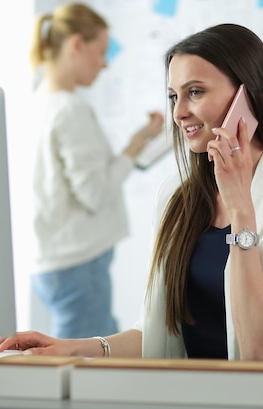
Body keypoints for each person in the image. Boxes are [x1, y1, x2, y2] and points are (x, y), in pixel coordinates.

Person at [0, 23, 263, 362]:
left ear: (248, 96)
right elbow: (159, 336)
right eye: (174, 96)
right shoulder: (175, 194)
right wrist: (71, 347)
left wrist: (241, 210)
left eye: (195, 92)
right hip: (183, 399)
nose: (178, 112)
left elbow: (260, 349)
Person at [27, 3, 165, 339]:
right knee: (89, 372)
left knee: (105, 350)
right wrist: (134, 147)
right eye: (101, 52)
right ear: (76, 45)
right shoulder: (70, 110)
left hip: (55, 264)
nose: (104, 64)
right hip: (79, 266)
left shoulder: (39, 102)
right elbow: (95, 194)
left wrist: (137, 141)